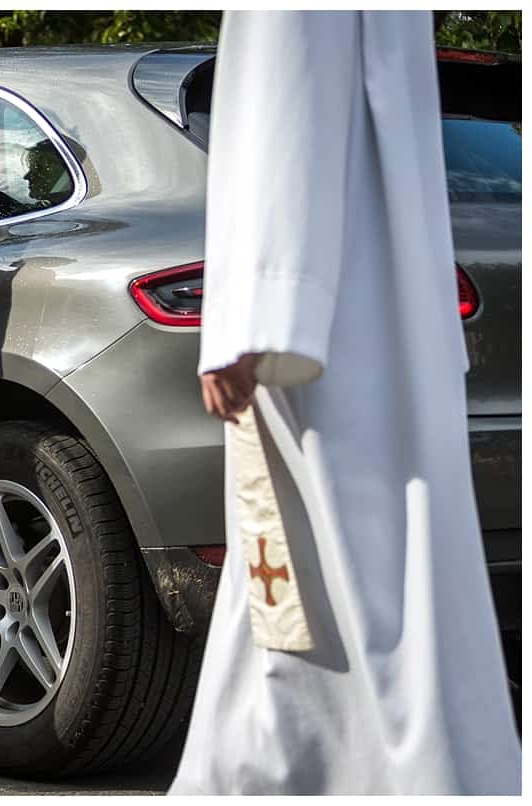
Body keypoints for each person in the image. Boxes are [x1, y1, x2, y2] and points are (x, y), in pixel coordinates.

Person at [169, 11, 521, 794]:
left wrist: (252, 319)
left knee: (344, 586)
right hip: (374, 301)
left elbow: (285, 99)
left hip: (331, 322)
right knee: (352, 587)